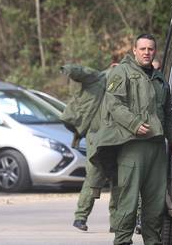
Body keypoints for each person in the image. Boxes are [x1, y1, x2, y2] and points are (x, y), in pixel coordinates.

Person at [91, 33, 172, 245]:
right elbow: (114, 104)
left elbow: (168, 112)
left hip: (157, 147)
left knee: (155, 203)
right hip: (132, 146)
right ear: (134, 50)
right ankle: (122, 241)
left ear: (154, 51)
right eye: (143, 49)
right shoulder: (122, 72)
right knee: (128, 201)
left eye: (150, 49)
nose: (147, 53)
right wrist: (133, 124)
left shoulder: (159, 78)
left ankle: (152, 242)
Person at [60, 64, 113, 232]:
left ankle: (117, 222)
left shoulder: (127, 84)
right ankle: (81, 216)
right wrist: (68, 69)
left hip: (116, 137)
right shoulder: (97, 79)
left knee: (120, 179)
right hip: (96, 136)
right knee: (94, 175)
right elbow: (82, 72)